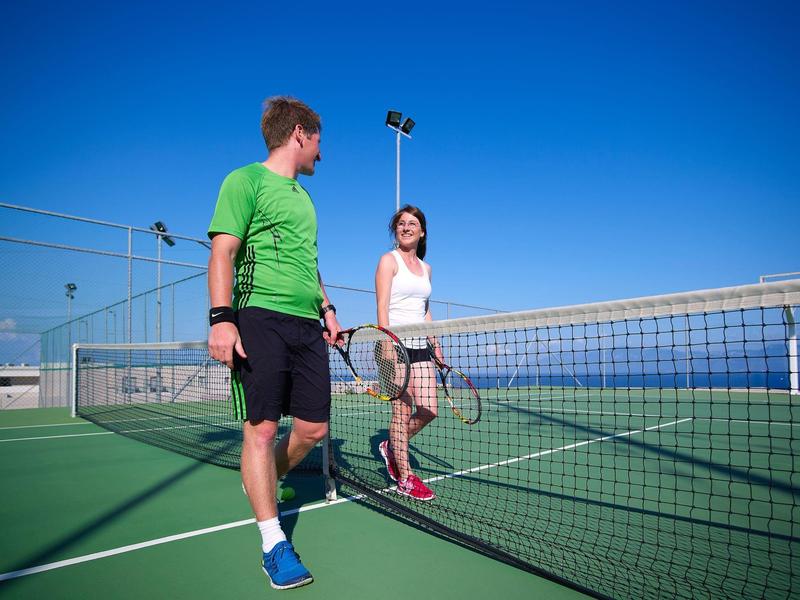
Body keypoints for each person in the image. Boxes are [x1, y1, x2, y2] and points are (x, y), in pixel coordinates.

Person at [207, 96, 341, 590]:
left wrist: (326, 308)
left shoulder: (304, 198)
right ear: (301, 133)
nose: (321, 154)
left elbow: (308, 260)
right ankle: (272, 540)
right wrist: (222, 319)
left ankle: (258, 478)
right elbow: (223, 249)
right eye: (319, 142)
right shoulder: (244, 180)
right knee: (261, 431)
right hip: (258, 316)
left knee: (313, 428)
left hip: (307, 325)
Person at [374, 204, 442, 501]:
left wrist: (436, 343)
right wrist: (387, 342)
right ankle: (406, 477)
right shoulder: (388, 261)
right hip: (394, 345)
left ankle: (391, 446)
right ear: (396, 229)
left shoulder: (426, 269)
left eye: (412, 223)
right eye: (401, 223)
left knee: (429, 410)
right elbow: (382, 306)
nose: (406, 227)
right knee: (401, 411)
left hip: (421, 347)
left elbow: (424, 309)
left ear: (422, 231)